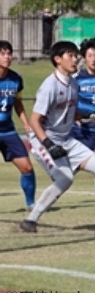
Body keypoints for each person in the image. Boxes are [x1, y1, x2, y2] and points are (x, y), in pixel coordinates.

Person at [21, 41, 95, 232]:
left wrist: (92, 116)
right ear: (57, 60)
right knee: (65, 179)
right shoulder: (49, 86)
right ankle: (31, 219)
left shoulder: (73, 83)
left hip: (66, 139)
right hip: (43, 140)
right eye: (70, 55)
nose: (75, 58)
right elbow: (35, 120)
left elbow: (72, 113)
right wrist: (48, 144)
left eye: (75, 54)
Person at [0, 40, 36, 210]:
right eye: (2, 53)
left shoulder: (16, 78)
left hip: (7, 131)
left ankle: (31, 204)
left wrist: (26, 124)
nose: (7, 57)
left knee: (27, 167)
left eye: (9, 53)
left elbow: (18, 103)